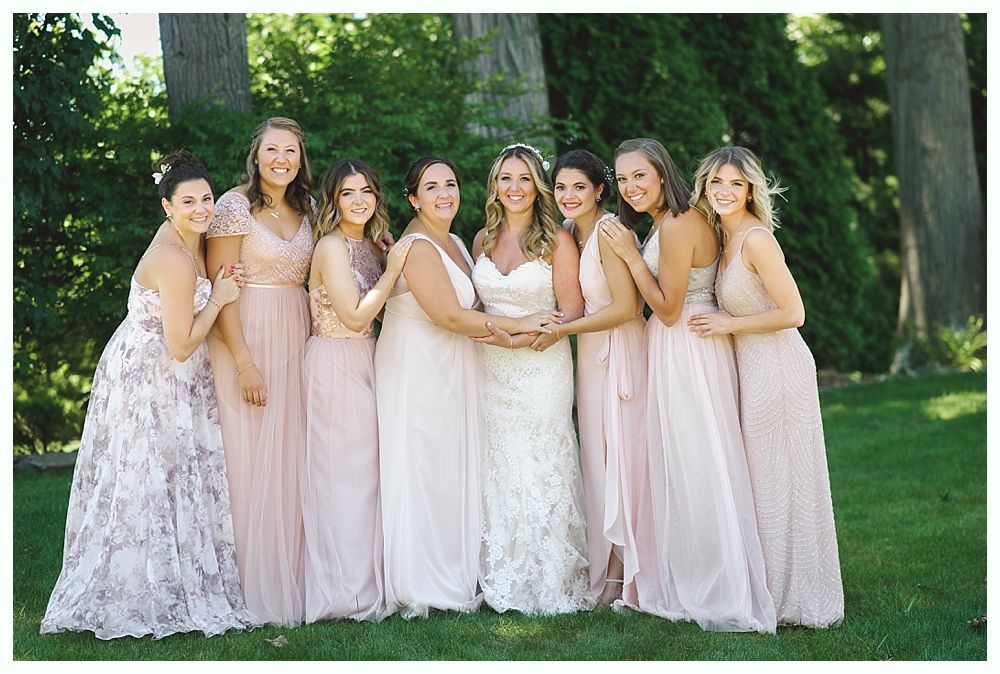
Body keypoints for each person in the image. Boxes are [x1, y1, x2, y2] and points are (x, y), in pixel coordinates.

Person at [41, 150, 256, 639]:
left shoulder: (188, 242)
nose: (202, 208)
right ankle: (140, 591)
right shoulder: (174, 259)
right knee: (150, 479)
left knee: (168, 477)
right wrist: (220, 299)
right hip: (153, 374)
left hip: (160, 369)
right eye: (189, 201)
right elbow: (180, 346)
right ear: (167, 205)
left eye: (206, 198)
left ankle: (168, 579)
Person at [601, 138, 776, 633]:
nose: (630, 186)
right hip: (680, 347)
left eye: (640, 175)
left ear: (662, 174)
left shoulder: (678, 223)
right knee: (685, 461)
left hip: (687, 348)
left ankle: (718, 586)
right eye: (623, 178)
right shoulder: (669, 221)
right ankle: (688, 572)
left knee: (699, 462)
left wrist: (632, 258)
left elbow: (670, 308)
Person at [374, 156, 557, 619]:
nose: (444, 194)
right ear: (414, 198)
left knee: (449, 464)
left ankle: (455, 567)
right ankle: (420, 578)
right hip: (418, 363)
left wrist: (507, 335)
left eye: (450, 184)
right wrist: (519, 321)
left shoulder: (456, 240)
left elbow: (472, 308)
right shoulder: (416, 247)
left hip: (453, 360)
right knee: (421, 463)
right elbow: (450, 315)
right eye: (431, 187)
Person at [687, 146, 845, 628]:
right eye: (716, 183)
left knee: (784, 480)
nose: (725, 192)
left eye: (735, 183)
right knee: (762, 480)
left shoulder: (756, 240)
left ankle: (797, 597)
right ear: (705, 188)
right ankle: (768, 588)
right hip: (750, 367)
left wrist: (727, 325)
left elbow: (793, 314)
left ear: (751, 188)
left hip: (778, 367)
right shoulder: (721, 234)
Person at [470, 143, 591, 614]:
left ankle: (548, 575)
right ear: (494, 186)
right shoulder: (482, 238)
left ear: (536, 184)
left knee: (539, 460)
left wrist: (520, 341)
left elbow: (572, 310)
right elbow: (473, 305)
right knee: (498, 462)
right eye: (506, 178)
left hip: (541, 363)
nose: (514, 188)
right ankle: (499, 570)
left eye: (524, 178)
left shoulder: (556, 240)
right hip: (490, 367)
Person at [206, 117, 315, 626]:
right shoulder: (232, 207)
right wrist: (245, 361)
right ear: (256, 154)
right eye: (273, 150)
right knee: (248, 457)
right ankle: (247, 584)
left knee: (293, 454)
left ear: (300, 159)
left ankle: (295, 575)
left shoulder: (308, 207)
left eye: (290, 152)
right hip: (245, 334)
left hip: (297, 334)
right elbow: (219, 289)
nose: (281, 160)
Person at [530, 149, 647, 607]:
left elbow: (627, 307)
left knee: (620, 458)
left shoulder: (608, 233)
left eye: (580, 186)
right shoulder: (564, 235)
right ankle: (609, 564)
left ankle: (622, 575)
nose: (568, 195)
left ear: (600, 190)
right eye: (560, 187)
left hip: (620, 347)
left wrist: (563, 329)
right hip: (591, 351)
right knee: (599, 460)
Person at [301, 159, 412, 623]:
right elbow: (353, 315)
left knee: (370, 474)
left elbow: (381, 313)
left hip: (368, 358)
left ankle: (373, 579)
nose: (360, 200)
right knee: (341, 477)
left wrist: (385, 259)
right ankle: (345, 592)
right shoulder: (329, 247)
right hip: (334, 360)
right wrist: (394, 270)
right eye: (348, 193)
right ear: (333, 200)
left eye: (366, 191)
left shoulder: (367, 245)